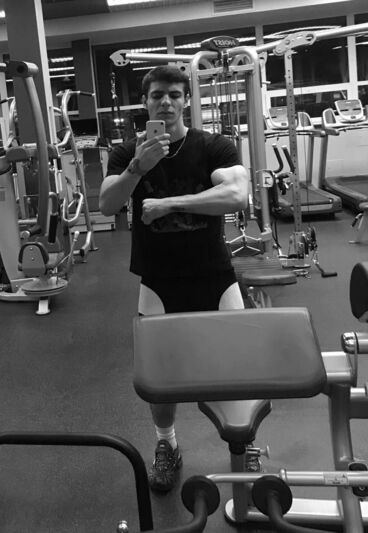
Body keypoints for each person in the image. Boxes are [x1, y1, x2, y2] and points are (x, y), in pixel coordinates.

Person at [99, 65, 249, 493]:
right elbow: (107, 204)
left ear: (187, 100)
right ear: (145, 102)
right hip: (158, 280)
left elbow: (237, 195)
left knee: (237, 365)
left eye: (175, 94)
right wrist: (137, 168)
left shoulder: (212, 146)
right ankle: (167, 443)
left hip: (214, 276)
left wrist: (169, 204)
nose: (166, 102)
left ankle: (246, 441)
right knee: (161, 376)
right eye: (157, 95)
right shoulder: (127, 152)